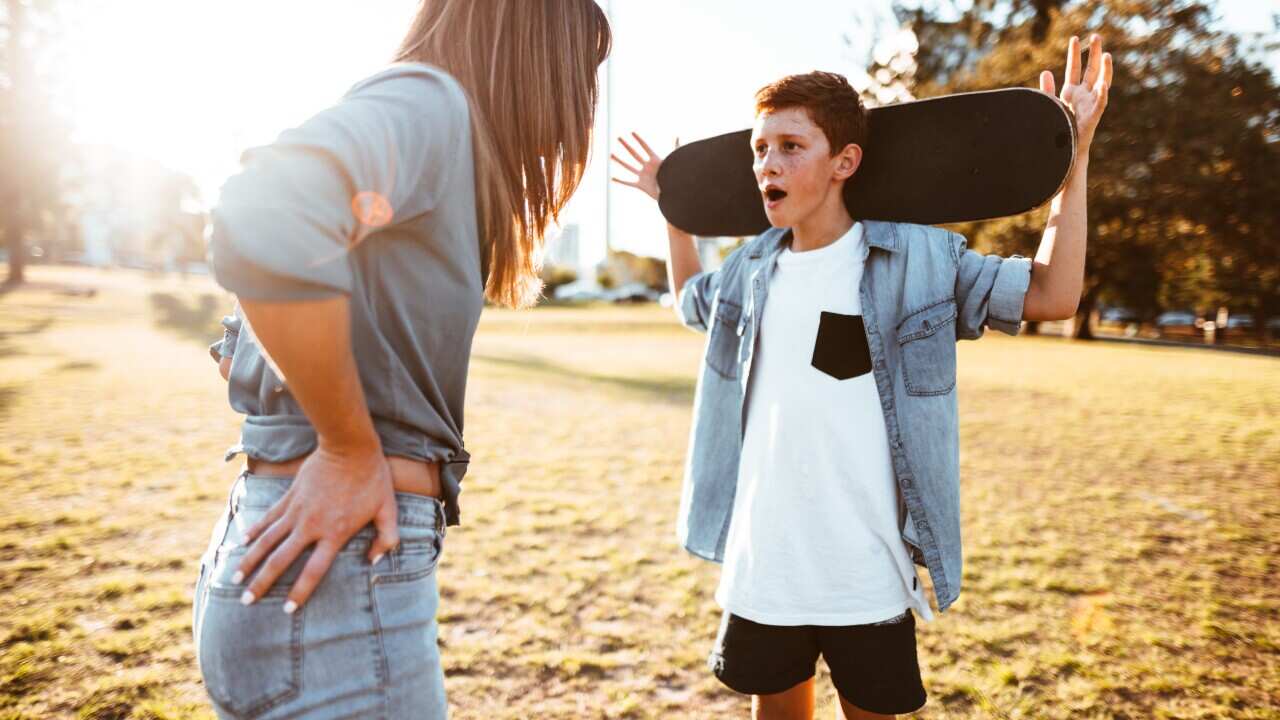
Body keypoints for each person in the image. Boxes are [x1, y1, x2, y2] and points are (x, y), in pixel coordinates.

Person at [611, 35, 1112, 720]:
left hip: (866, 575)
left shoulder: (921, 262)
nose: (767, 164)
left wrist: (1074, 162)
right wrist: (675, 215)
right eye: (760, 148)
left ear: (845, 160)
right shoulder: (749, 269)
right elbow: (689, 303)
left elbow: (1054, 294)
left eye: (790, 145)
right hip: (768, 565)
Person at [195, 2, 611, 717]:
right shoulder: (431, 103)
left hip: (307, 562)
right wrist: (349, 446)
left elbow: (280, 284)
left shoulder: (431, 123)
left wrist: (276, 364)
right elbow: (265, 211)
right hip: (338, 578)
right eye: (586, 70)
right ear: (544, 58)